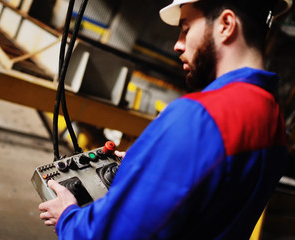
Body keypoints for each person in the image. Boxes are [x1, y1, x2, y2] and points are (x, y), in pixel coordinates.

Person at [38, 0, 290, 239]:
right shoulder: (273, 120)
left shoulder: (198, 117)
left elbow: (114, 235)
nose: (178, 45)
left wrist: (68, 217)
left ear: (226, 25)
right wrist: (149, 165)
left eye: (186, 28)